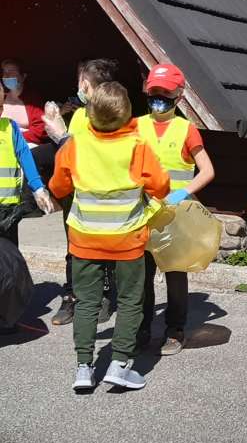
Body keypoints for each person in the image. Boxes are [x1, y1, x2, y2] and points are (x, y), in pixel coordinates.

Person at [49, 81, 170, 392]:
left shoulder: (75, 144)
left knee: (87, 301)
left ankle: (83, 367)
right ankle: (119, 364)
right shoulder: (137, 145)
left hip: (84, 237)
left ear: (90, 112)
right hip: (127, 237)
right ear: (127, 113)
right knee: (130, 300)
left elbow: (59, 188)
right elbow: (161, 186)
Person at [136, 64, 216, 356]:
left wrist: (185, 191)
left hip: (174, 217)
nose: (158, 99)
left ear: (179, 96)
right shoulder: (136, 126)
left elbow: (207, 170)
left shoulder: (186, 129)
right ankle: (141, 329)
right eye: (154, 93)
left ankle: (174, 330)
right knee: (141, 278)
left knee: (175, 276)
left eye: (165, 93)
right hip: (142, 215)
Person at [46, 59, 119, 326]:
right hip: (74, 194)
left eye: (80, 81)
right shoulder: (78, 115)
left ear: (87, 84)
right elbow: (69, 155)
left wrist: (62, 137)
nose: (78, 87)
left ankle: (105, 296)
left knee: (103, 249)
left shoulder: (112, 115)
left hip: (100, 195)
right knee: (73, 248)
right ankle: (72, 296)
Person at [0, 80, 54, 245]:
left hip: (8, 209)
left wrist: (38, 188)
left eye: (1, 106)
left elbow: (25, 155)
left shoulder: (10, 127)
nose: (0, 111)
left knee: (9, 259)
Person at [1, 59, 48, 147]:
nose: (7, 75)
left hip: (27, 149)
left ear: (23, 76)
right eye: (5, 72)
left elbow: (41, 130)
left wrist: (14, 138)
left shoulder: (33, 99)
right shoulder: (1, 97)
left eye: (11, 71)